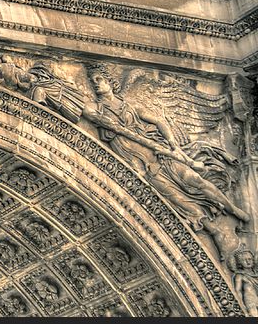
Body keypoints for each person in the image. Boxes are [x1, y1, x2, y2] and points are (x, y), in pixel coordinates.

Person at [81, 64, 250, 230]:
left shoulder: (130, 105)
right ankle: (212, 229)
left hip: (160, 153)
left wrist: (172, 144)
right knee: (179, 202)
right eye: (92, 80)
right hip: (140, 164)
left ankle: (231, 208)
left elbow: (159, 121)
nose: (95, 83)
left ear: (110, 81)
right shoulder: (96, 108)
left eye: (99, 79)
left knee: (196, 180)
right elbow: (86, 110)